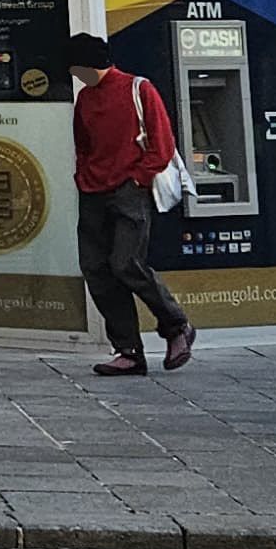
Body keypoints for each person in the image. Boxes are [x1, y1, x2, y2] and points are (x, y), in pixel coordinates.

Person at [68, 32, 197, 375]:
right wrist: (83, 176)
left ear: (88, 63)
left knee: (126, 263)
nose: (74, 74)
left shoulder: (139, 88)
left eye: (76, 67)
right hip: (93, 191)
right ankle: (128, 349)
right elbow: (83, 144)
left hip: (128, 190)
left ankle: (176, 325)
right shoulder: (85, 98)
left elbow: (163, 143)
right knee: (96, 268)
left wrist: (138, 178)